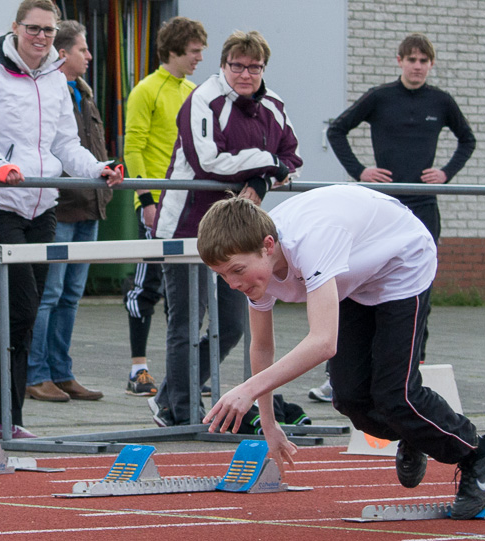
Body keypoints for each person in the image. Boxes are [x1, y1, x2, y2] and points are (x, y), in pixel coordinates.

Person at [197, 186, 485, 520]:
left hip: (401, 263)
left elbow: (323, 341)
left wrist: (246, 390)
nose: (232, 283)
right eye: (222, 275)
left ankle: (481, 454)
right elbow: (261, 347)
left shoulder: (312, 243)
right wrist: (269, 424)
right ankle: (417, 432)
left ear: (268, 246)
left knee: (396, 395)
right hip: (353, 277)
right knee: (349, 398)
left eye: (236, 271)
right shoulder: (256, 271)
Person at [0, 0, 122, 438]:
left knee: (27, 313)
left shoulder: (56, 80)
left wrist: (98, 168)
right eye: (33, 29)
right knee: (21, 308)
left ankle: (8, 420)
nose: (41, 38)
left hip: (41, 207)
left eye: (48, 31)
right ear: (16, 28)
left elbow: (65, 144)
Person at [150, 30, 302, 427]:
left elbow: (292, 158)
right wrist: (266, 162)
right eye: (237, 65)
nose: (246, 73)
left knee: (233, 326)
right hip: (187, 224)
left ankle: (169, 395)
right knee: (186, 321)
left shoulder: (274, 103)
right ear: (224, 65)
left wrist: (261, 182)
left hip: (237, 232)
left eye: (254, 66)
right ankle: (182, 411)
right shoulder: (204, 98)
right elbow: (208, 162)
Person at [322, 32, 476, 400]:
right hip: (382, 209)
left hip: (422, 207)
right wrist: (360, 171)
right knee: (360, 282)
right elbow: (337, 129)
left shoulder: (441, 101)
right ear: (399, 61)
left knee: (420, 286)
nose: (417, 66)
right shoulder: (380, 97)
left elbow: (467, 139)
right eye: (411, 60)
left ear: (431, 64)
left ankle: (413, 368)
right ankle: (342, 371)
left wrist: (446, 173)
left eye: (424, 61)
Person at [24, 20, 110, 404]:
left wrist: (101, 175)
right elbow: (57, 148)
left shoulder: (83, 93)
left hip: (87, 207)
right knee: (49, 293)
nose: (89, 56)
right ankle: (36, 372)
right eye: (82, 49)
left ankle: (61, 371)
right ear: (62, 53)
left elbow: (86, 149)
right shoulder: (45, 92)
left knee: (71, 295)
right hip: (61, 207)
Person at [122, 16, 207, 398]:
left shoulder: (194, 91)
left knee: (185, 291)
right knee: (146, 286)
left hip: (188, 206)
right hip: (157, 203)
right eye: (193, 51)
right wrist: (146, 200)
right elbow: (133, 146)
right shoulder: (146, 90)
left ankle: (182, 373)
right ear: (173, 51)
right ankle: (138, 369)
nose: (199, 58)